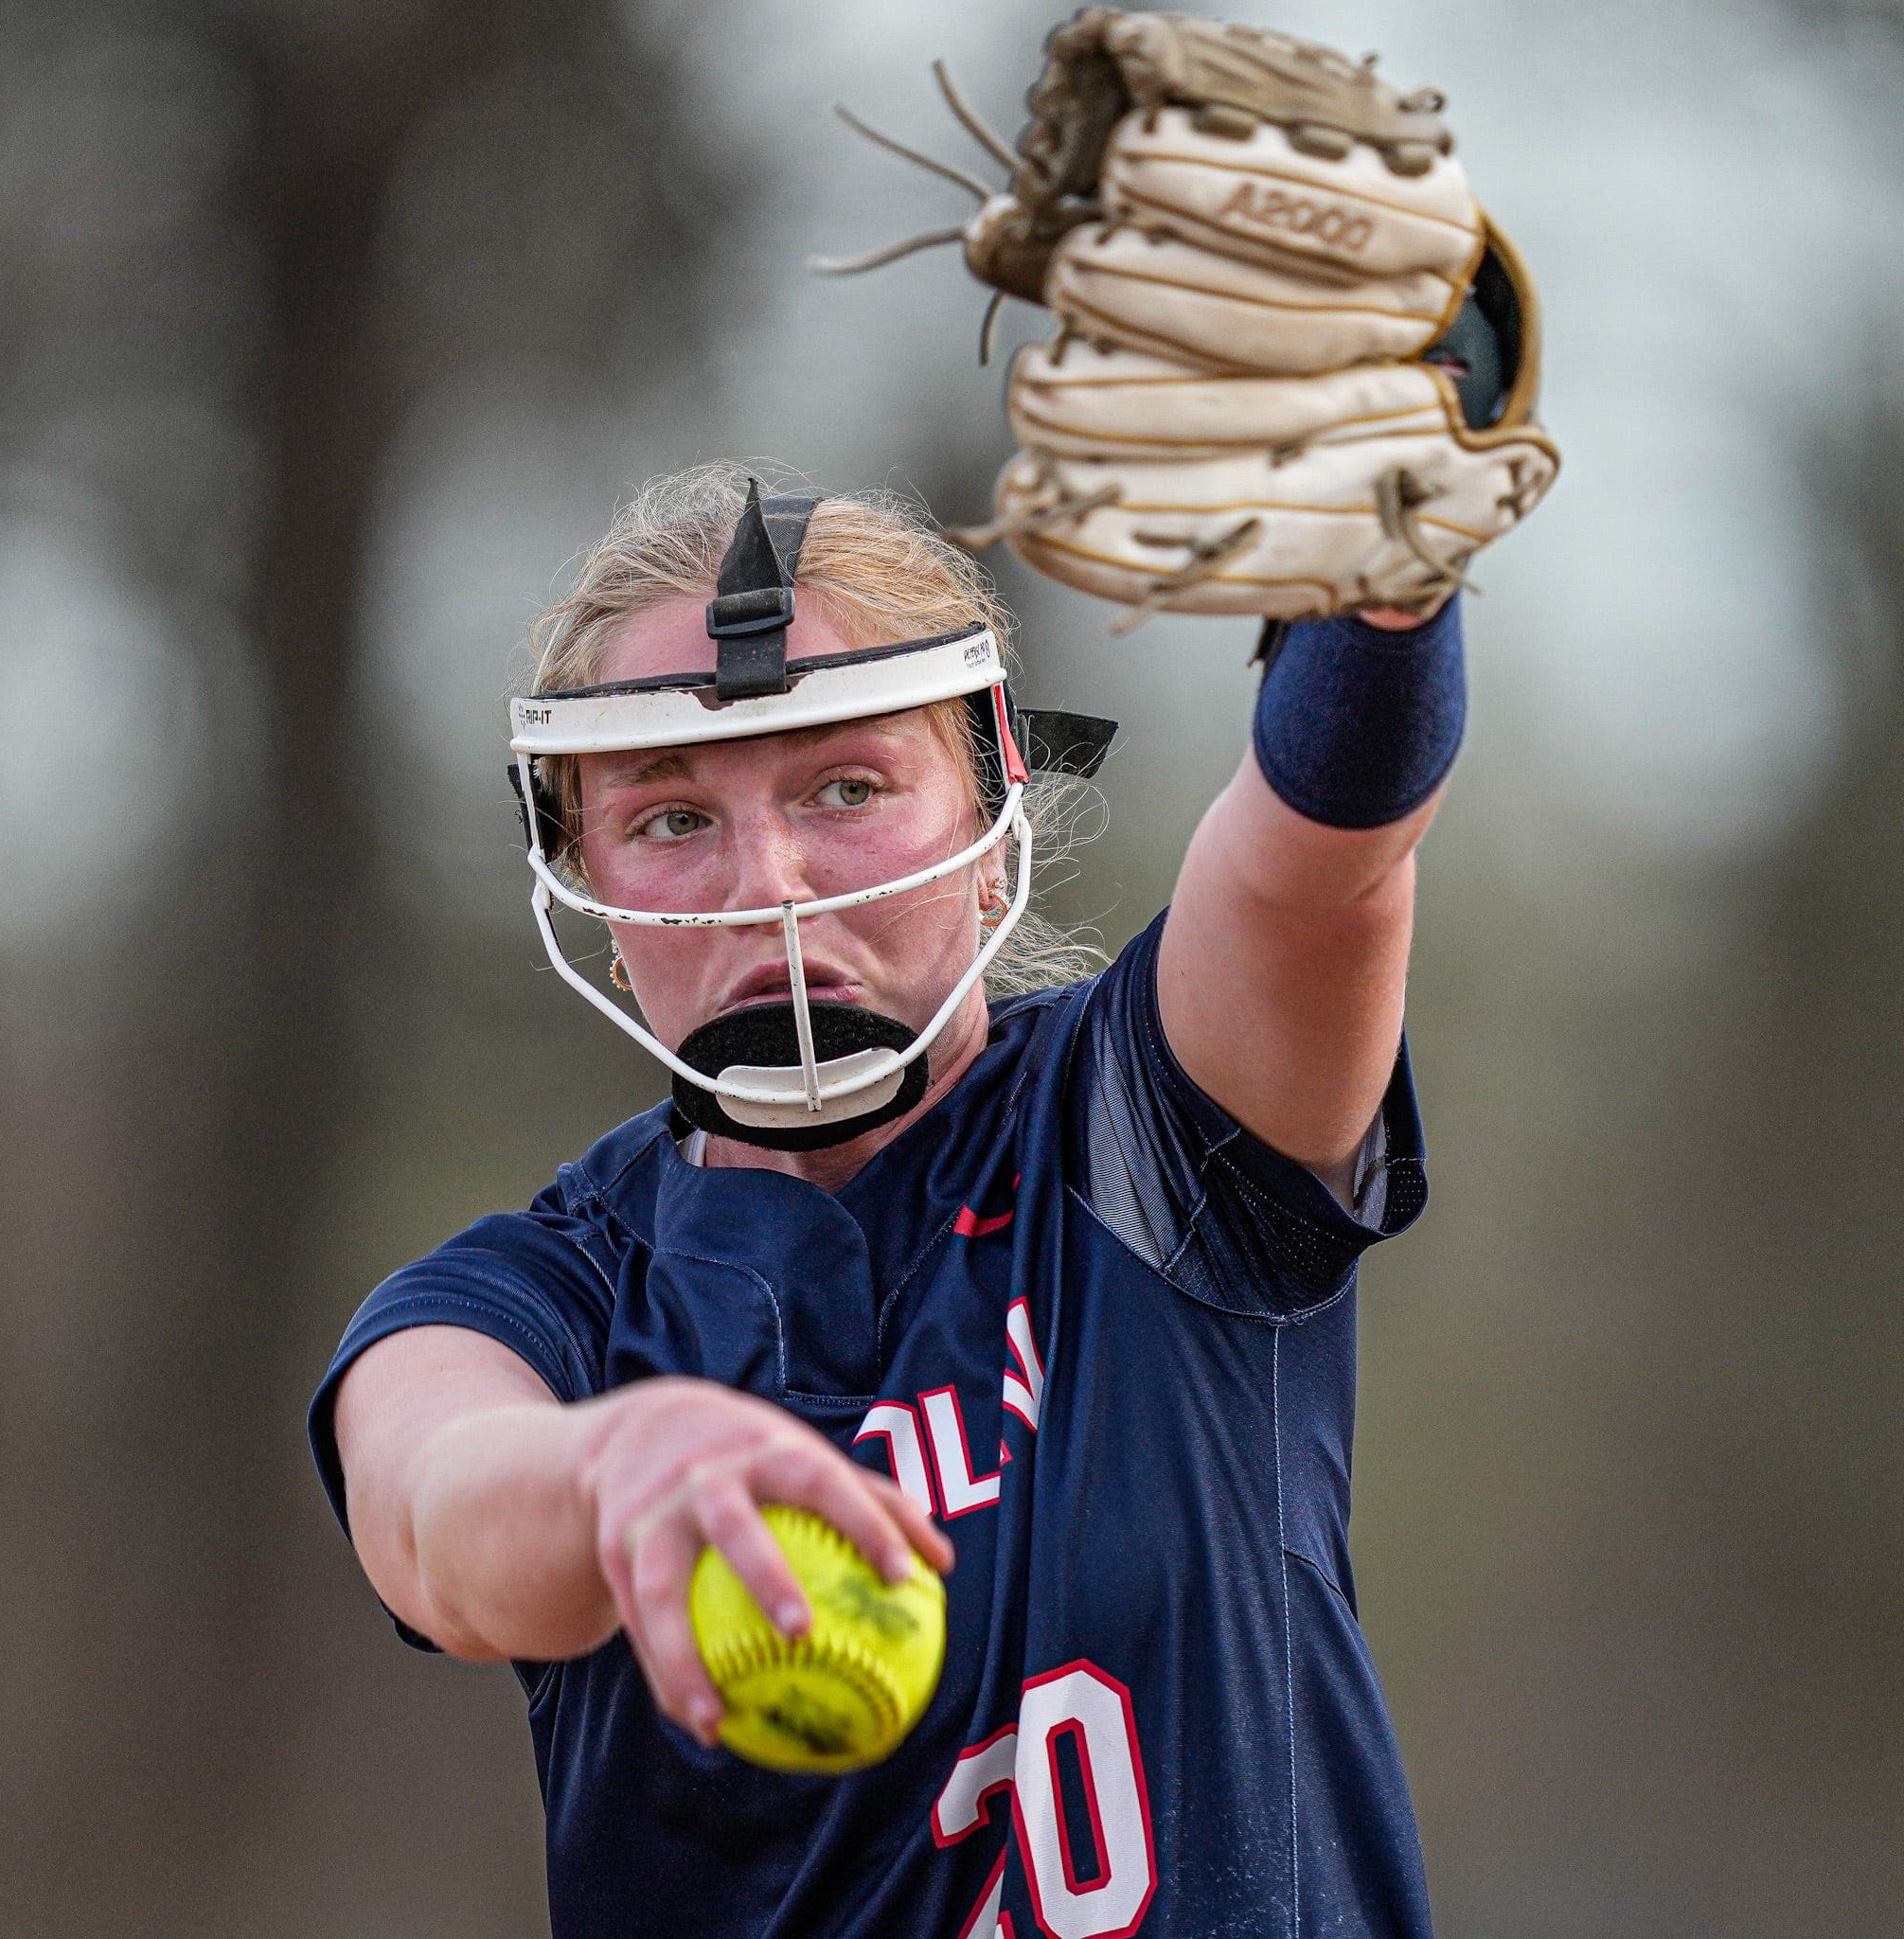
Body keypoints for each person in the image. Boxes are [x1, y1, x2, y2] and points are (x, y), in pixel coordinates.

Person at [309, 460, 1462, 1938]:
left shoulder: (1145, 1127)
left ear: (994, 810)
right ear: (585, 879)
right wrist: (606, 1472)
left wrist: (1389, 577)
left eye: (847, 788)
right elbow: (433, 1512)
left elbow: (1325, 856)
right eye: (670, 819)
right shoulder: (546, 1301)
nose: (770, 882)